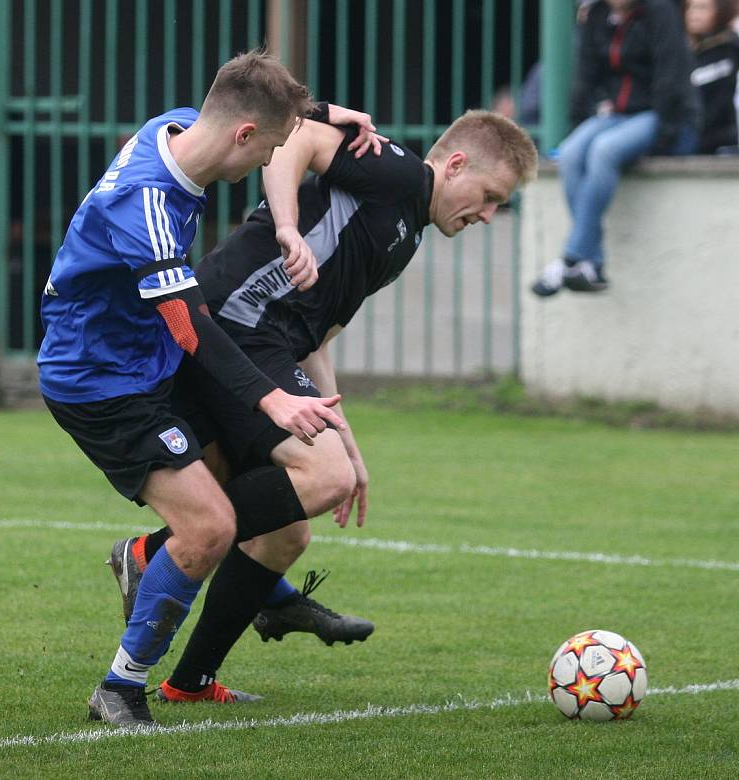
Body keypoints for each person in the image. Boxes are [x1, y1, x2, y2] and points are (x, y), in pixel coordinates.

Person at [106, 109, 538, 706]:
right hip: (235, 325)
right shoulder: (404, 175)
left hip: (270, 342)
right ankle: (150, 552)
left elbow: (319, 338)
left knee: (286, 534)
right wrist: (286, 227)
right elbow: (298, 138)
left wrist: (348, 441)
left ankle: (191, 682)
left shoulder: (405, 230)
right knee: (321, 475)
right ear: (456, 164)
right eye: (490, 197)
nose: (488, 215)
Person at [38, 49, 382, 728]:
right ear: (244, 138)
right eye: (267, 153)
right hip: (101, 382)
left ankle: (158, 563)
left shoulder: (174, 128)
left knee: (266, 512)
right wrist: (272, 398)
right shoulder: (146, 205)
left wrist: (329, 114)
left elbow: (246, 100)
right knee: (212, 525)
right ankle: (121, 686)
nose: (265, 168)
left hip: (149, 364)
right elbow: (192, 323)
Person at [531, 0, 700, 297]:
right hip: (615, 114)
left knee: (604, 151)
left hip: (655, 115)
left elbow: (670, 76)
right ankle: (591, 263)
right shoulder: (597, 15)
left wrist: (664, 137)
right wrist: (580, 118)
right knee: (571, 153)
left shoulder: (659, 13)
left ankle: (571, 258)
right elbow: (586, 71)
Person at [685, 0, 739, 153]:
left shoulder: (730, 49)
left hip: (723, 142)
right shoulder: (684, 52)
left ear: (721, 11)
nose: (693, 15)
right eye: (690, 8)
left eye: (702, 8)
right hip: (691, 140)